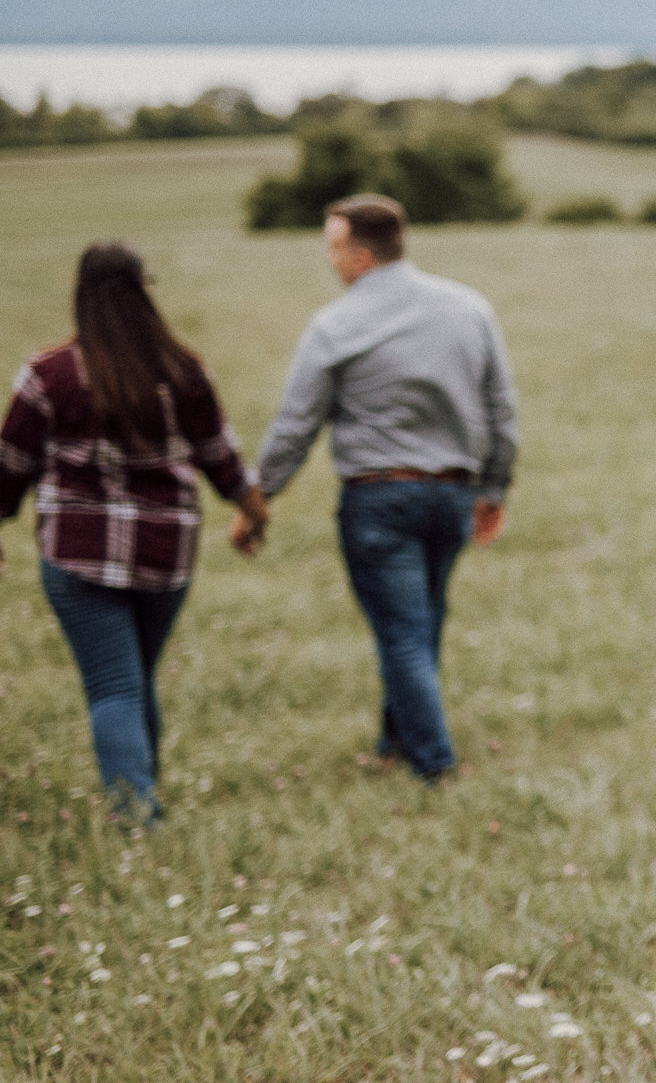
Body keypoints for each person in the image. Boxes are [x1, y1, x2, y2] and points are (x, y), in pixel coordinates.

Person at [251, 193, 518, 782]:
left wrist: (258, 497)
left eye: (334, 247)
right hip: (452, 494)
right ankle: (394, 742)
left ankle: (435, 766)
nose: (331, 260)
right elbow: (502, 410)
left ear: (362, 255)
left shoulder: (335, 324)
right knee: (422, 625)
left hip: (378, 501)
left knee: (403, 633)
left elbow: (297, 424)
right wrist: (494, 490)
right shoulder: (469, 308)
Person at [0, 241, 269, 820]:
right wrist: (253, 509)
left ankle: (136, 813)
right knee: (133, 677)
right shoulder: (181, 369)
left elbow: (10, 465)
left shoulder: (48, 375)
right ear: (146, 291)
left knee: (113, 685)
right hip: (164, 553)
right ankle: (144, 793)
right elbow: (220, 457)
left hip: (77, 556)